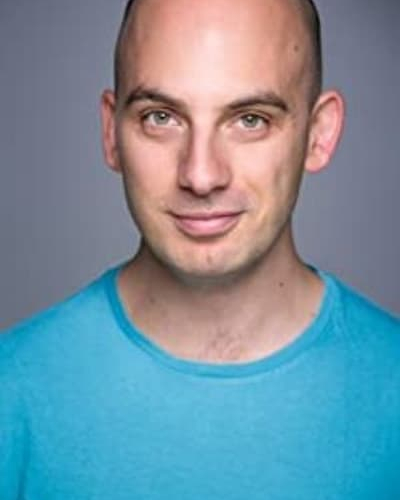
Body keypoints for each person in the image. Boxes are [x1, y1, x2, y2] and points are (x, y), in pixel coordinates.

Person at [1, 0, 399, 498]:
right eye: (161, 117)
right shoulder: (11, 391)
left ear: (318, 135)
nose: (201, 175)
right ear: (111, 132)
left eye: (250, 120)